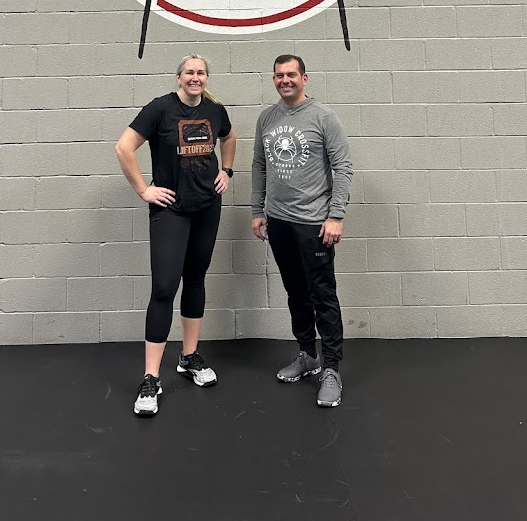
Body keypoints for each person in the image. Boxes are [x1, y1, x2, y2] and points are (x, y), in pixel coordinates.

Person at [116, 55, 236, 417]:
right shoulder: (160, 109)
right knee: (164, 288)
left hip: (206, 207)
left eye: (201, 72)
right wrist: (144, 189)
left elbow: (229, 137)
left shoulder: (215, 110)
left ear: (206, 78)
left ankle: (189, 356)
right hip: (171, 210)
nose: (195, 77)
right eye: (189, 72)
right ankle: (151, 378)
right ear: (179, 77)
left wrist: (227, 170)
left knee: (195, 280)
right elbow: (124, 147)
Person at [251, 54, 352, 408]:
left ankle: (332, 369)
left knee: (322, 294)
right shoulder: (267, 118)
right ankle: (308, 355)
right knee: (296, 292)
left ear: (304, 78)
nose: (285, 80)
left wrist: (335, 215)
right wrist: (257, 210)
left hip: (314, 223)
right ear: (274, 79)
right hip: (278, 221)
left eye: (291, 74)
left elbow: (343, 167)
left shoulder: (323, 117)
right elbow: (260, 165)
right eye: (279, 75)